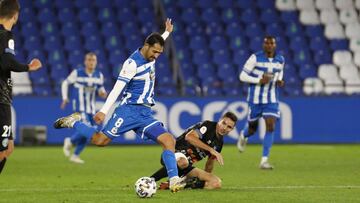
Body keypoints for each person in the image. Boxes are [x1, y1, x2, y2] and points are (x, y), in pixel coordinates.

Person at [53, 19, 186, 192]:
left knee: (169, 140)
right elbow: (117, 89)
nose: (156, 56)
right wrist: (103, 111)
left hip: (145, 113)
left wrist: (167, 32)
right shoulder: (131, 64)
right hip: (128, 111)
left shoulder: (152, 54)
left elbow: (158, 40)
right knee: (100, 141)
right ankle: (73, 122)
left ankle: (174, 180)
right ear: (146, 46)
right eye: (155, 52)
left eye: (159, 53)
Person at [0, 0, 42, 174]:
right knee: (3, 148)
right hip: (0, 99)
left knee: (8, 146)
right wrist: (28, 67)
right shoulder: (6, 35)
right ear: (15, 15)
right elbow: (6, 62)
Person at [150, 112, 238, 190]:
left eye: (229, 127)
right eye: (223, 123)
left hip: (186, 168)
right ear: (219, 120)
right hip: (172, 155)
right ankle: (150, 180)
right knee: (183, 162)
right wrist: (211, 150)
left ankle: (178, 185)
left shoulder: (219, 143)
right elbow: (189, 137)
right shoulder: (208, 126)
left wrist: (204, 178)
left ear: (232, 129)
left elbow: (209, 164)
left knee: (215, 183)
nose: (224, 128)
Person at [236, 36, 285, 170]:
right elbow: (242, 76)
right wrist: (258, 79)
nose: (269, 45)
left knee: (270, 126)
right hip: (255, 99)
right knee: (252, 129)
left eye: (271, 43)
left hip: (272, 99)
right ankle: (243, 135)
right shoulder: (255, 58)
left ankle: (264, 160)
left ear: (275, 45)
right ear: (263, 45)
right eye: (266, 43)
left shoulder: (280, 59)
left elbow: (279, 75)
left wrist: (280, 81)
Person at [60, 52, 107, 164]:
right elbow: (65, 83)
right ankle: (70, 142)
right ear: (85, 62)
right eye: (89, 60)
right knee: (90, 130)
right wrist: (65, 98)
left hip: (91, 109)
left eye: (93, 60)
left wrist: (103, 94)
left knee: (91, 134)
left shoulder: (99, 75)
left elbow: (101, 90)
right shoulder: (77, 73)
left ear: (96, 62)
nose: (91, 62)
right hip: (80, 109)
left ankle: (75, 155)